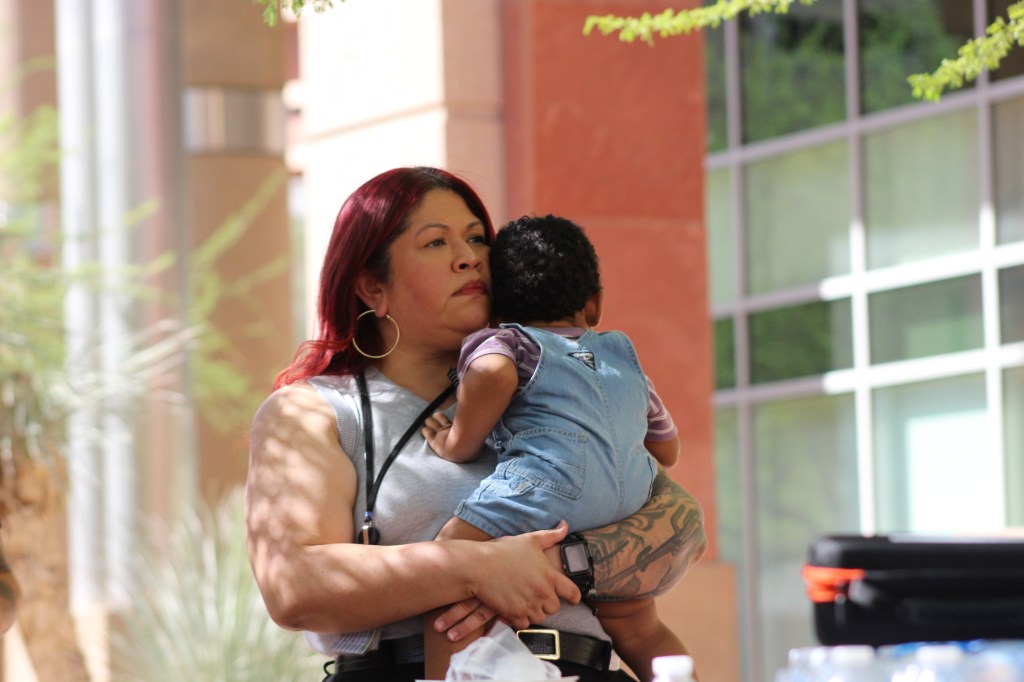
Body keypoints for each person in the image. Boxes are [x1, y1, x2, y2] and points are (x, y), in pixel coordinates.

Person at [244, 166, 707, 682]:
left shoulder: (549, 382)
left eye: (476, 238)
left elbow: (683, 526)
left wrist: (550, 566)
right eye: (435, 242)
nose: (468, 257)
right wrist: (474, 567)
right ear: (373, 287)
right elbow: (293, 586)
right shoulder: (315, 411)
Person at [420, 214, 690, 682]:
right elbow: (667, 450)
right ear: (595, 303)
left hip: (550, 486)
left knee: (447, 567)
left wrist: (455, 443)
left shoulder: (511, 342)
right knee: (635, 620)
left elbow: (491, 371)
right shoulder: (621, 356)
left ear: (495, 306)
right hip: (631, 500)